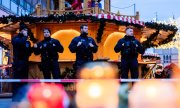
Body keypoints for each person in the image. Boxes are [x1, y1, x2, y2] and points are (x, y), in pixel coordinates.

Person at [11, 22, 33, 101]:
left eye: (26, 30)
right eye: (24, 30)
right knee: (17, 81)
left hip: (25, 63)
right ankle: (15, 98)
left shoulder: (27, 41)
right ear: (20, 31)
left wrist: (33, 48)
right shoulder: (15, 38)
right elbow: (19, 44)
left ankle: (24, 97)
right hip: (18, 63)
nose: (26, 32)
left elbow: (28, 52)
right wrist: (25, 36)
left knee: (24, 80)